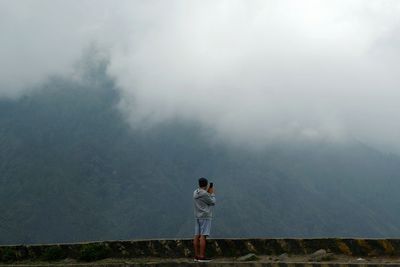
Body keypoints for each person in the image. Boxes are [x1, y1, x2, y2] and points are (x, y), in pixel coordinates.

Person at [193, 177, 216, 262]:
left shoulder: (195, 192)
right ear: (206, 185)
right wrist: (212, 194)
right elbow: (213, 202)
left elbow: (203, 196)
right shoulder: (205, 194)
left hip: (197, 216)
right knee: (203, 235)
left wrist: (207, 193)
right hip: (205, 216)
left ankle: (196, 256)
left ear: (199, 184)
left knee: (196, 235)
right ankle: (202, 257)